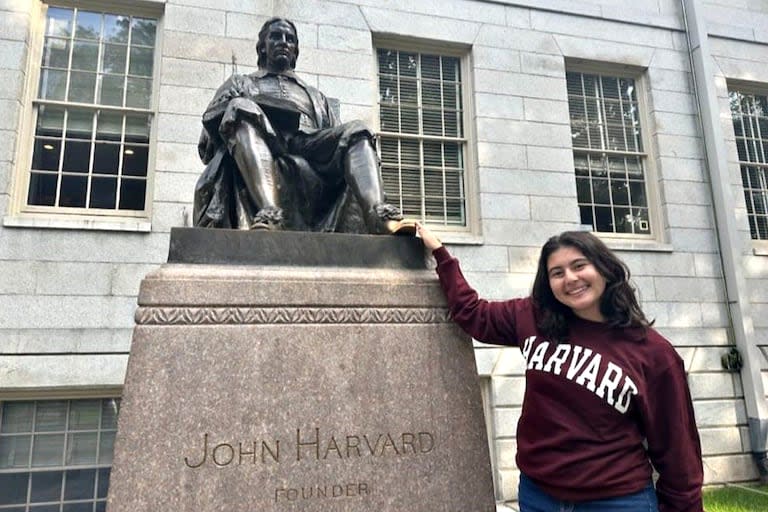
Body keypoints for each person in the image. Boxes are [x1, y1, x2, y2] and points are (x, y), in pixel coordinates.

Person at [414, 223, 703, 512]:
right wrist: (440, 253)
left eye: (579, 266)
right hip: (538, 495)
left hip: (617, 501)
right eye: (557, 273)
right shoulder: (533, 318)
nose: (570, 279)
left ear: (604, 268)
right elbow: (473, 314)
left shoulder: (654, 354)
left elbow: (678, 450)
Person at [193, 17, 405, 234]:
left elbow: (336, 137)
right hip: (263, 139)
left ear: (295, 51)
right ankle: (269, 213)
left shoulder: (314, 95)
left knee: (358, 130)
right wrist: (231, 103)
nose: (284, 42)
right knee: (239, 106)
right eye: (275, 37)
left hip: (308, 143)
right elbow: (207, 143)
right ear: (263, 48)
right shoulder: (240, 83)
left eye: (290, 39)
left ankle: (378, 215)